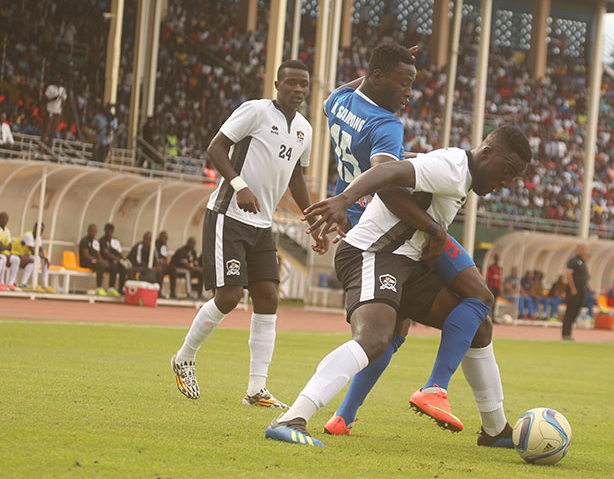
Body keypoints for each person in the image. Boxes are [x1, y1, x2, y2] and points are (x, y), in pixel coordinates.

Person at [266, 125, 532, 446]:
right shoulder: (452, 167)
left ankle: (494, 429)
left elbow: (399, 167)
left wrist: (433, 231)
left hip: (407, 263)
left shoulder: (456, 171)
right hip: (373, 253)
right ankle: (291, 418)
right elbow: (387, 170)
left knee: (478, 326)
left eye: (513, 178)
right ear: (487, 154)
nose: (505, 183)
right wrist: (344, 200)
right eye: (506, 172)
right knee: (374, 338)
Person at [318, 43, 504, 438]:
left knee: (397, 331)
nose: (409, 92)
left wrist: (382, 65)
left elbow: (351, 89)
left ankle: (344, 416)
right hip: (391, 222)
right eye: (404, 83)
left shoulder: (335, 102)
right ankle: (437, 388)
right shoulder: (386, 124)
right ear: (380, 77)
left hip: (361, 220)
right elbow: (386, 182)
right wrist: (435, 229)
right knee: (479, 296)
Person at [170, 60, 324, 408]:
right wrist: (239, 185)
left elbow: (297, 177)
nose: (298, 90)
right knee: (228, 296)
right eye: (292, 83)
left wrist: (312, 219)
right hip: (228, 214)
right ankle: (184, 358)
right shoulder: (255, 111)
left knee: (268, 297)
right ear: (277, 84)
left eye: (304, 85)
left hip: (262, 225)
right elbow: (215, 148)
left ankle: (256, 389)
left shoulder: (304, 129)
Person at [10, 222, 55, 293]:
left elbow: (40, 250)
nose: (40, 231)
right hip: (15, 254)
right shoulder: (28, 236)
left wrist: (45, 257)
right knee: (37, 259)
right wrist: (43, 256)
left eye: (42, 229)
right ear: (34, 228)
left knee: (43, 261)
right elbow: (34, 251)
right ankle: (35, 284)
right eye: (38, 228)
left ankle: (44, 285)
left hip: (24, 256)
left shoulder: (38, 238)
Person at [78, 223, 119, 296]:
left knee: (113, 267)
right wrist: (99, 261)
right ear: (88, 231)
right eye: (92, 230)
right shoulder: (84, 241)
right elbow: (86, 256)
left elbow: (98, 254)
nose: (93, 232)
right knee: (100, 265)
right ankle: (99, 287)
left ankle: (111, 288)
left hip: (95, 262)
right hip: (85, 262)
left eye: (95, 231)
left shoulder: (96, 242)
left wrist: (103, 260)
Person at [561, 245, 589, 340]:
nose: (583, 251)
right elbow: (569, 275)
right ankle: (565, 334)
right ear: (577, 250)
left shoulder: (583, 261)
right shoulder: (573, 260)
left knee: (575, 312)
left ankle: (569, 334)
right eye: (581, 249)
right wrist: (573, 288)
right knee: (570, 312)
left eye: (584, 249)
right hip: (574, 292)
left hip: (581, 291)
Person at [98, 223, 128, 294]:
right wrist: (115, 258)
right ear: (105, 230)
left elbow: (118, 251)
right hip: (106, 262)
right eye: (108, 230)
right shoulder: (102, 241)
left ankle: (121, 288)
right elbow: (106, 253)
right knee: (114, 268)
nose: (109, 232)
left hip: (114, 262)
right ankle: (111, 288)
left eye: (111, 231)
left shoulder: (114, 241)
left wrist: (122, 257)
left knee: (123, 268)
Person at [41, 76, 67, 148]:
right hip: (50, 110)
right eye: (59, 80)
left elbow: (64, 100)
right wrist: (53, 98)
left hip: (58, 112)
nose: (60, 82)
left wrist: (61, 109)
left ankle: (49, 148)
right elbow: (45, 98)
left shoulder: (63, 90)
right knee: (46, 130)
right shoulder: (50, 87)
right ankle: (40, 148)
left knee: (53, 131)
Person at [0, 212, 18, 291]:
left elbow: (10, 247)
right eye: (3, 218)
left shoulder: (7, 231)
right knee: (2, 259)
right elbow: (0, 247)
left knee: (16, 259)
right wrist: (5, 247)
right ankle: (1, 282)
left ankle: (10, 283)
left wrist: (5, 247)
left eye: (6, 219)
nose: (5, 220)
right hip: (2, 255)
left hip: (5, 254)